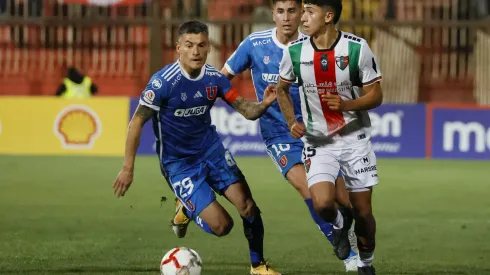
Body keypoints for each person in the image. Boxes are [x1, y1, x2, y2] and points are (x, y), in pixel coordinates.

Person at [172, 0, 357, 272]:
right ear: (272, 14)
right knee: (308, 189)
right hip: (279, 136)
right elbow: (221, 79)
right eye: (280, 11)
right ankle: (350, 258)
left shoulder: (314, 45)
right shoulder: (255, 44)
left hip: (317, 135)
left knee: (342, 201)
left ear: (301, 14)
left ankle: (187, 207)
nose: (286, 18)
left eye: (292, 11)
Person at [112, 20, 281, 275]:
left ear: (208, 47)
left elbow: (247, 111)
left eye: (202, 45)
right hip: (179, 164)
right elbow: (136, 122)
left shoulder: (215, 79)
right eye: (189, 45)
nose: (196, 52)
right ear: (178, 48)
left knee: (248, 206)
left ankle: (258, 266)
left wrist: (265, 102)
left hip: (212, 152)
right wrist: (127, 168)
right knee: (223, 226)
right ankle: (186, 208)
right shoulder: (163, 83)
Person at [276, 0, 382, 274]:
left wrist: (346, 105)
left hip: (354, 140)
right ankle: (338, 221)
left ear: (328, 16)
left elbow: (376, 95)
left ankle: (366, 264)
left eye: (310, 12)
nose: (302, 18)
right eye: (304, 11)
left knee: (363, 213)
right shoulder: (295, 51)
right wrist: (291, 121)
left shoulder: (356, 48)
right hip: (318, 141)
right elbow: (281, 89)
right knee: (322, 203)